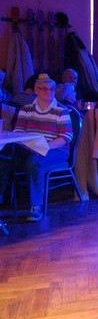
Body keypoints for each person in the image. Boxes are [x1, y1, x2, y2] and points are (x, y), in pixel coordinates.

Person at [0, 74, 73, 221]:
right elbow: (19, 132)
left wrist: (45, 147)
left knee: (34, 162)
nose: (49, 91)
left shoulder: (61, 110)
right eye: (44, 88)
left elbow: (66, 137)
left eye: (52, 89)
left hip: (56, 150)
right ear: (36, 90)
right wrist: (28, 146)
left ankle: (36, 206)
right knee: (4, 160)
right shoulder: (26, 109)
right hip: (29, 148)